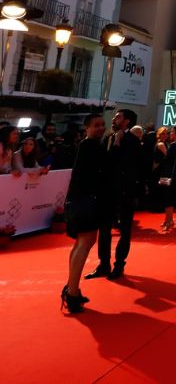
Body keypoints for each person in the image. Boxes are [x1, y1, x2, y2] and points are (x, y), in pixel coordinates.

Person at [87, 108, 141, 282]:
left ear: (127, 121)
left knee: (124, 230)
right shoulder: (107, 137)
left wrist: (118, 144)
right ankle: (103, 264)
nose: (114, 119)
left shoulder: (133, 141)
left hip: (125, 192)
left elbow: (130, 166)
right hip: (107, 192)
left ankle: (119, 264)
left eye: (118, 117)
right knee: (104, 229)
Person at [62, 113, 107, 314]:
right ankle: (72, 293)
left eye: (102, 124)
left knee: (81, 243)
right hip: (85, 201)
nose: (101, 128)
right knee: (85, 242)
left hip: (79, 200)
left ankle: (71, 288)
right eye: (96, 125)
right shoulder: (91, 146)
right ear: (87, 128)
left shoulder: (87, 146)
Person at [154, 126, 176, 232]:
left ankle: (169, 221)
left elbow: (167, 158)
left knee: (167, 196)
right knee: (168, 196)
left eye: (172, 132)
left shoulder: (174, 145)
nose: (170, 134)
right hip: (173, 174)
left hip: (168, 174)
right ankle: (168, 220)